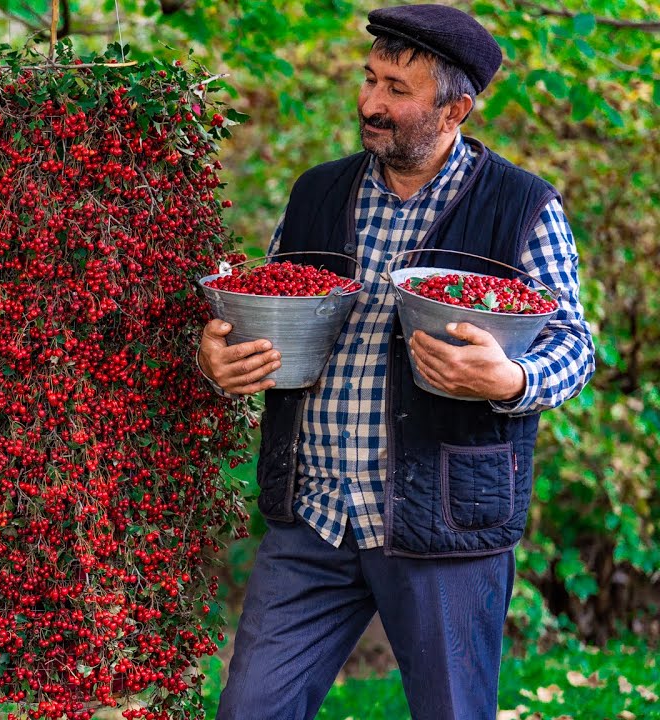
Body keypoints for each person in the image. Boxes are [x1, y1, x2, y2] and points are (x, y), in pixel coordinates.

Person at [199, 5, 594, 719]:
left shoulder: (521, 205)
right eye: (370, 78)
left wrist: (512, 380)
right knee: (249, 709)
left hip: (441, 521)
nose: (370, 104)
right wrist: (223, 354)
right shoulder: (318, 192)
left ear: (456, 109)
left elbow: (572, 344)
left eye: (398, 90)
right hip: (314, 513)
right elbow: (268, 305)